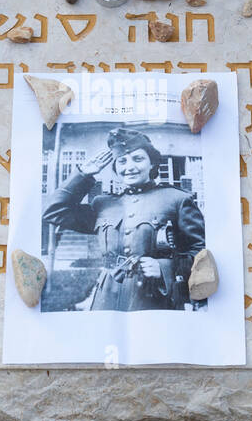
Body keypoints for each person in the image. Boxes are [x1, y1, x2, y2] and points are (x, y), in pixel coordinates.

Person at [43, 127, 206, 311]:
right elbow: (53, 211)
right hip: (106, 296)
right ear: (115, 168)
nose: (129, 167)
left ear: (152, 164)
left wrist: (165, 267)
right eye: (122, 161)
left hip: (156, 297)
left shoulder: (177, 200)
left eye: (138, 159)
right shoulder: (103, 204)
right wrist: (83, 174)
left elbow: (200, 253)